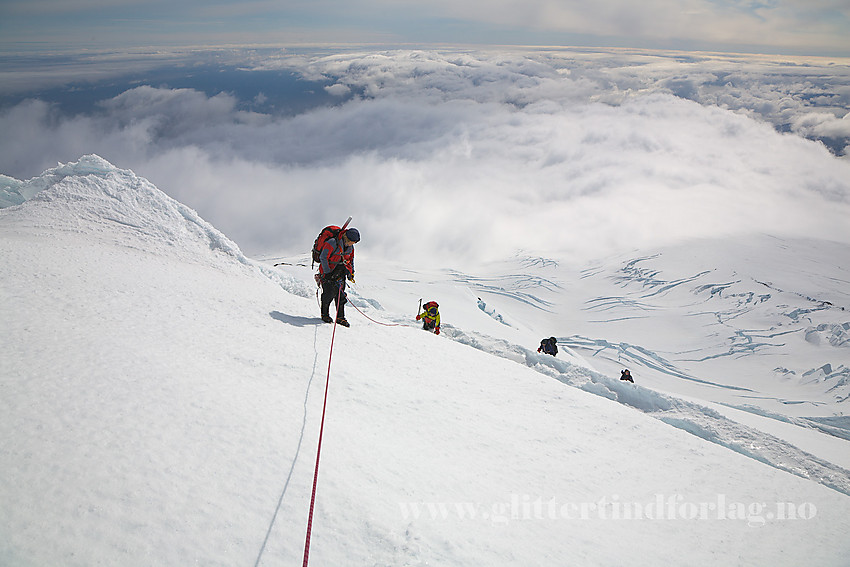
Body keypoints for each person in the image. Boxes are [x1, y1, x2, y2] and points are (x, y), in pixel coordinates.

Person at [318, 227, 360, 327]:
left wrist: (351, 272)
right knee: (328, 294)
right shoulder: (332, 242)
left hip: (340, 273)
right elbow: (323, 257)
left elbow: (350, 260)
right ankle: (325, 314)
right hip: (328, 273)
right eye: (352, 242)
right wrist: (327, 273)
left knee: (340, 296)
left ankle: (340, 317)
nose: (352, 244)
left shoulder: (350, 248)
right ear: (347, 238)